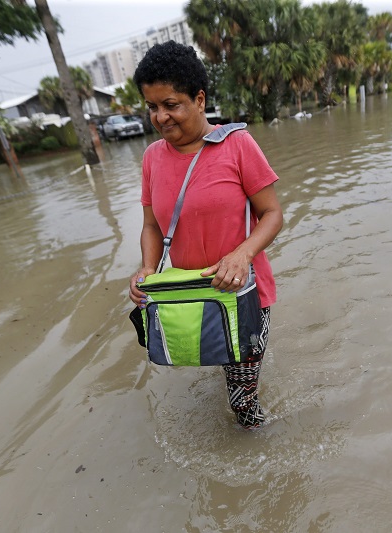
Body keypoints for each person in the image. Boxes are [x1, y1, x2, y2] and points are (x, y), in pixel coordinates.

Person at [128, 41, 283, 429]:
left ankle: (259, 454)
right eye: (152, 107)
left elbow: (272, 214)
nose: (161, 117)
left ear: (199, 99)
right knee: (218, 361)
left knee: (242, 404)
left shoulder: (237, 145)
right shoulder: (151, 159)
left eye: (171, 104)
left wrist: (241, 254)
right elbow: (151, 225)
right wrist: (146, 269)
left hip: (244, 294)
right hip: (192, 298)